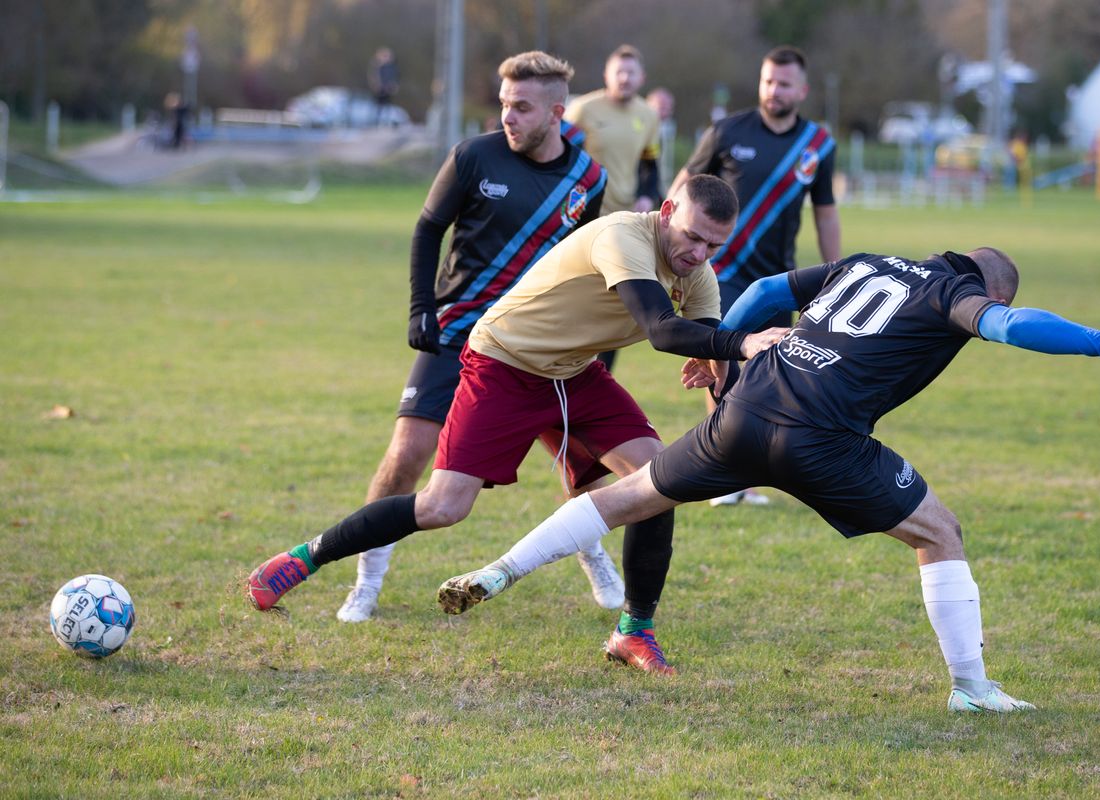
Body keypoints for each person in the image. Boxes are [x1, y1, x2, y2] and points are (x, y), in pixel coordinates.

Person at [437, 247, 1100, 713]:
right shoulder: (955, 297)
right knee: (939, 533)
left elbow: (761, 294)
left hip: (749, 407)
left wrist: (724, 359)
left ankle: (502, 569)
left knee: (630, 496)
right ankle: (972, 689)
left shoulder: (867, 263)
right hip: (821, 438)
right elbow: (1013, 327)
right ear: (984, 286)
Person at [248, 175, 789, 621]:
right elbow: (661, 328)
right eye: (693, 237)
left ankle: (635, 630)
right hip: (503, 363)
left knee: (657, 482)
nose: (699, 253)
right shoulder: (624, 235)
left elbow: (709, 343)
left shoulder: (698, 275)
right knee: (443, 507)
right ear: (668, 209)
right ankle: (303, 558)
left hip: (573, 376)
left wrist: (721, 366)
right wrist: (739, 343)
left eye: (714, 245)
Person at [333, 51, 610, 623]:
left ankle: (593, 552)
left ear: (557, 111)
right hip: (458, 331)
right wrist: (420, 310)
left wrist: (595, 346)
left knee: (575, 461)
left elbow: (586, 268)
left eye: (522, 107)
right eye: (504, 103)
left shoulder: (589, 180)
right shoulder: (472, 156)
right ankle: (367, 580)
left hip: (536, 342)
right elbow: (428, 228)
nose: (508, 116)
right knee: (407, 453)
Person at [668, 46, 842, 507]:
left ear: (801, 90)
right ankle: (724, 474)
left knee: (770, 373)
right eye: (767, 81)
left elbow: (825, 213)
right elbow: (682, 187)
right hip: (718, 272)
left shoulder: (818, 145)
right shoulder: (728, 131)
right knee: (722, 364)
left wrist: (836, 276)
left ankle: (745, 472)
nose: (773, 90)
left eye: (783, 83)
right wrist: (664, 244)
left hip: (779, 279)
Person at [566, 44, 662, 373]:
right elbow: (561, 159)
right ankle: (563, 370)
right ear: (606, 75)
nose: (624, 78)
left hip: (625, 223)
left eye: (631, 72)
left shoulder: (648, 116)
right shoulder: (582, 110)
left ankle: (599, 377)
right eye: (618, 71)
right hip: (582, 221)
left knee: (616, 304)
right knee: (579, 301)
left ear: (642, 78)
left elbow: (651, 165)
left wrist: (649, 195)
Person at [368, 47, 400, 125]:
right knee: (378, 107)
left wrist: (393, 86)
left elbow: (394, 78)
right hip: (379, 91)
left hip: (388, 90)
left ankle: (386, 122)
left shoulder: (392, 67)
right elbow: (373, 78)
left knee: (387, 107)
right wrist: (376, 86)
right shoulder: (376, 67)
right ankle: (376, 122)